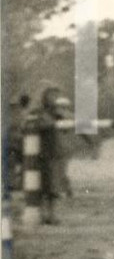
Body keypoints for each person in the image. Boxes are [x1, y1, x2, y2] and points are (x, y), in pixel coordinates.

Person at [35, 86, 66, 225]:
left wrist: (60, 116)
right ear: (45, 98)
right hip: (45, 154)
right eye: (52, 96)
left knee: (54, 187)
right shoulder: (41, 113)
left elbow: (66, 124)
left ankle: (52, 215)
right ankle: (43, 215)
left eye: (56, 96)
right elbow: (41, 124)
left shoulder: (57, 113)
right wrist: (54, 122)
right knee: (45, 186)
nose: (54, 99)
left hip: (56, 153)